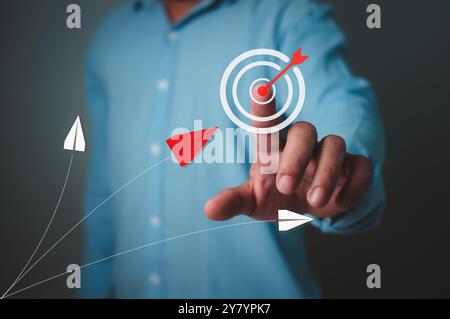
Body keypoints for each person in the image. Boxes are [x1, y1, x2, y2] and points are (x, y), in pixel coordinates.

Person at [80, 0, 385, 298]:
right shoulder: (112, 36)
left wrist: (338, 172)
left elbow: (341, 101)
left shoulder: (288, 15)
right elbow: (105, 194)